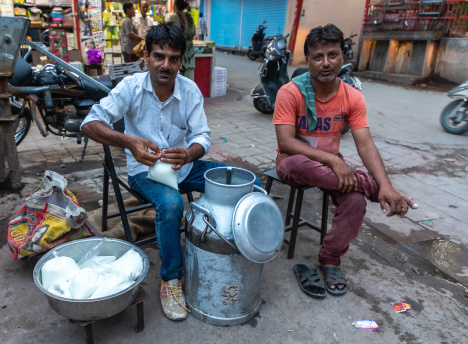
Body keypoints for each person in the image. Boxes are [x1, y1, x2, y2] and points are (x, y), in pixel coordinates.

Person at [81, 23, 259, 320]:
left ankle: (234, 247)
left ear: (180, 61)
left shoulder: (190, 91)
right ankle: (171, 280)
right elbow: (90, 124)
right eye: (159, 56)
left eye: (173, 58)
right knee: (172, 203)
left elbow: (202, 137)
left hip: (183, 166)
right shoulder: (131, 87)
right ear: (146, 57)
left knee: (237, 179)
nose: (166, 65)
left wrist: (189, 152)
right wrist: (129, 141)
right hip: (145, 171)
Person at [272, 24, 418, 299]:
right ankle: (372, 187)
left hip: (332, 165)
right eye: (318, 57)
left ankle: (330, 258)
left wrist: (381, 179)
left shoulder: (352, 97)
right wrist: (334, 162)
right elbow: (287, 142)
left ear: (342, 56)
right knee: (296, 164)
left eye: (333, 55)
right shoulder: (290, 92)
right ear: (308, 60)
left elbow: (365, 143)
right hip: (295, 159)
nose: (326, 63)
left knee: (356, 202)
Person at [166, 0, 196, 80]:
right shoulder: (189, 17)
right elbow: (194, 33)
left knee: (178, 81)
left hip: (178, 51)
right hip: (190, 52)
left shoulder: (172, 17)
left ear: (175, 6)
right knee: (189, 81)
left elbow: (166, 34)